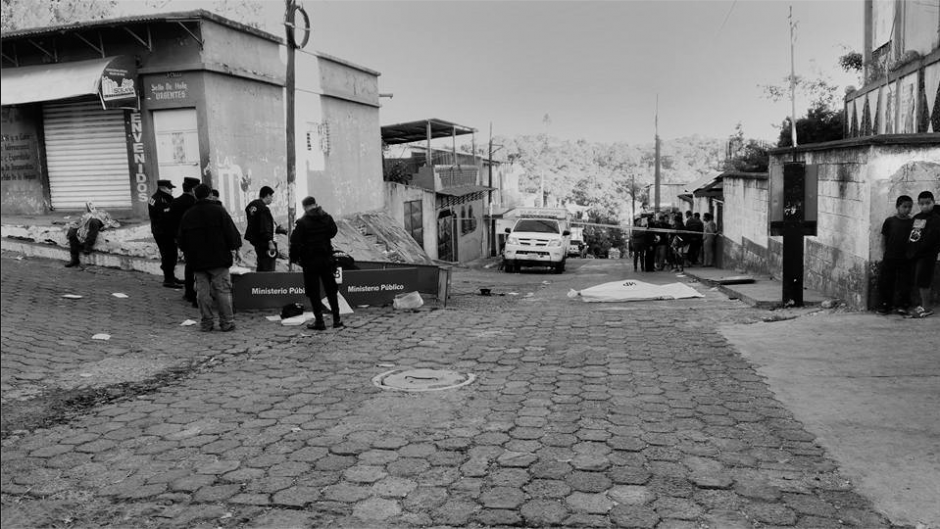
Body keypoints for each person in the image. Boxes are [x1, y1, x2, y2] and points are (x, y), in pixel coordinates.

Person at [177, 184, 242, 332]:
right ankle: (227, 322)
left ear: (195, 195)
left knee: (202, 292)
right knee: (222, 291)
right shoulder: (219, 211)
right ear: (210, 195)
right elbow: (231, 233)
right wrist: (236, 249)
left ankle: (206, 323)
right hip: (219, 259)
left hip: (197, 261)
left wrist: (188, 253)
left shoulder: (189, 214)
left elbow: (181, 240)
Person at [290, 196, 344, 330]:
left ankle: (319, 321)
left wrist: (294, 258)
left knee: (314, 292)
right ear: (316, 204)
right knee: (331, 290)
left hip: (310, 262)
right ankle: (337, 320)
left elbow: (295, 242)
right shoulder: (326, 217)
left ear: (305, 207)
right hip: (326, 260)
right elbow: (333, 232)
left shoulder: (303, 222)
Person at [905, 191, 940, 318]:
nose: (925, 206)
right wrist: (911, 250)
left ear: (933, 203)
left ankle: (927, 307)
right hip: (916, 255)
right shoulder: (918, 217)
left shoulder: (936, 219)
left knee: (924, 280)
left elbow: (931, 239)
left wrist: (920, 250)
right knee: (919, 279)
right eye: (922, 203)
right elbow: (914, 235)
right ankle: (923, 305)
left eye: (928, 203)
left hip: (928, 255)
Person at [877, 195, 914, 315]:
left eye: (909, 207)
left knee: (904, 283)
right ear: (897, 207)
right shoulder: (890, 221)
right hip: (890, 257)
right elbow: (884, 238)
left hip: (906, 258)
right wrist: (884, 253)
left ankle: (903, 305)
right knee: (887, 282)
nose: (907, 209)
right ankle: (885, 305)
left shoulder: (913, 222)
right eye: (904, 207)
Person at [167, 177, 201, 306]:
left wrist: (177, 238)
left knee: (189, 266)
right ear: (193, 189)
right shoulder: (195, 203)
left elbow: (171, 222)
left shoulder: (175, 202)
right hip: (196, 239)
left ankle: (188, 293)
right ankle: (197, 295)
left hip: (183, 239)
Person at [244, 186, 287, 272]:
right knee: (268, 268)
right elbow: (264, 227)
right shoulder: (264, 209)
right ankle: (268, 285)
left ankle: (260, 285)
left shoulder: (252, 206)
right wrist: (270, 242)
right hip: (266, 244)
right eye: (271, 196)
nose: (272, 199)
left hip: (258, 243)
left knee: (261, 267)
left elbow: (258, 225)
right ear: (267, 195)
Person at [149, 180, 182, 289]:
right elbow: (166, 218)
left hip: (159, 231)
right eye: (169, 188)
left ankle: (170, 276)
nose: (171, 190)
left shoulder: (155, 197)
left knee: (169, 255)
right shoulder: (161, 200)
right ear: (162, 188)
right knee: (169, 255)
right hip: (164, 232)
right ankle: (168, 279)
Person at [64, 203, 119, 268]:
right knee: (72, 230)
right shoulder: (84, 215)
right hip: (84, 223)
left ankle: (87, 246)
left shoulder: (100, 214)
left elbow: (106, 220)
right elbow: (78, 222)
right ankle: (74, 259)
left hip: (95, 221)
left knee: (94, 222)